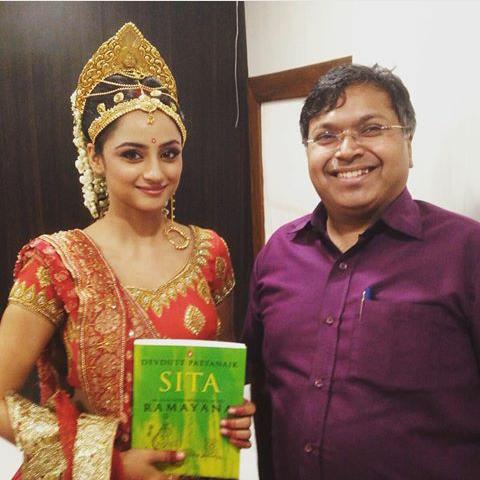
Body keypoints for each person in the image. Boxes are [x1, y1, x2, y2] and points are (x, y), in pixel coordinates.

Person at [0, 22, 254, 480]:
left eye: (170, 153)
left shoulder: (210, 251)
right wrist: (109, 462)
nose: (155, 172)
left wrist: (232, 416)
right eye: (132, 154)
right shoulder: (57, 262)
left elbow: (216, 375)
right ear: (95, 158)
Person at [243, 63, 480, 480]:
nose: (346, 150)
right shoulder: (278, 254)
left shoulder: (466, 252)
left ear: (408, 142)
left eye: (371, 129)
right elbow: (258, 384)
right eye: (326, 136)